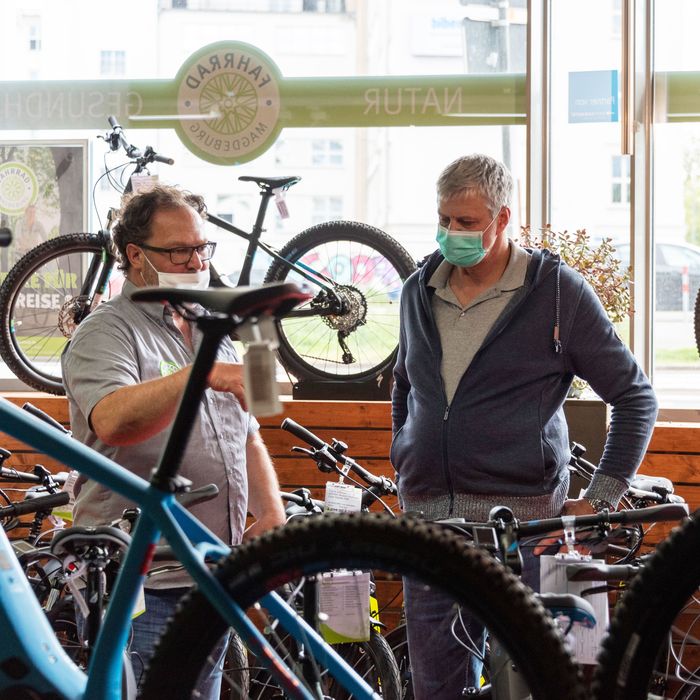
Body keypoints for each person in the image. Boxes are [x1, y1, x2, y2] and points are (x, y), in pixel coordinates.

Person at [391, 154, 658, 698]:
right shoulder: (419, 289)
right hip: (428, 530)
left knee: (538, 684)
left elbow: (635, 397)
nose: (451, 233)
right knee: (435, 688)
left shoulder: (557, 293)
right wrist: (404, 451)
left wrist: (601, 498)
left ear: (502, 218)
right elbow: (404, 384)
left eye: (466, 223)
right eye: (444, 220)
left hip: (525, 535)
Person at [61, 184, 286, 696]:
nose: (195, 260)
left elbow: (250, 426)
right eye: (179, 250)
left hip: (214, 572)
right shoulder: (106, 331)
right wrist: (200, 374)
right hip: (141, 580)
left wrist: (271, 512)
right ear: (136, 256)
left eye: (202, 248)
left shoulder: (213, 325)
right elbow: (113, 420)